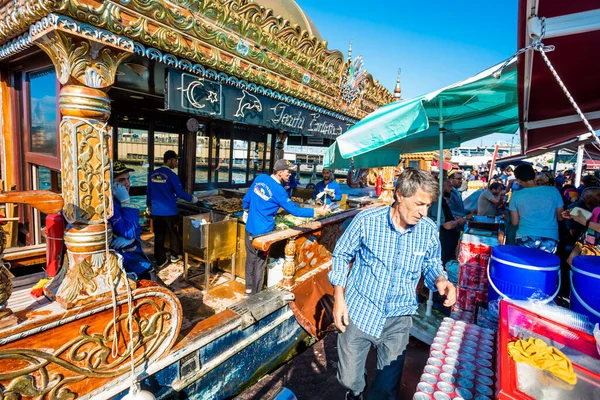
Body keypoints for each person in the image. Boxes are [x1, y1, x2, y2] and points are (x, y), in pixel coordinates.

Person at [329, 169, 456, 399]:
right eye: (418, 204)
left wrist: (440, 279)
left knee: (387, 390)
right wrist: (339, 297)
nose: (423, 212)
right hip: (360, 311)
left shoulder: (427, 230)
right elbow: (341, 254)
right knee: (349, 379)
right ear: (399, 195)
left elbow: (431, 263)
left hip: (399, 318)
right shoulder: (366, 221)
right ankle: (357, 392)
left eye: (427, 206)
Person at [243, 159, 329, 295]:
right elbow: (295, 210)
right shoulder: (279, 191)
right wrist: (316, 211)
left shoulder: (260, 178)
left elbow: (246, 199)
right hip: (263, 233)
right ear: (280, 172)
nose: (290, 174)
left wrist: (246, 210)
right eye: (288, 172)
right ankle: (255, 293)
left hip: (249, 227)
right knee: (259, 262)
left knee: (250, 259)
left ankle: (248, 288)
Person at [147, 150, 198, 267]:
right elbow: (179, 193)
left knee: (159, 236)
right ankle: (175, 255)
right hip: (169, 211)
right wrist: (192, 198)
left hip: (156, 211)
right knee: (173, 234)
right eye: (175, 161)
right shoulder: (172, 175)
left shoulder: (153, 174)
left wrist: (149, 205)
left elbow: (148, 192)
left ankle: (160, 260)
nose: (176, 163)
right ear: (169, 160)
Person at [110, 161, 158, 281]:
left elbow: (137, 229)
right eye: (121, 180)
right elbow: (128, 232)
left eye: (128, 179)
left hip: (133, 256)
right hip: (125, 261)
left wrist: (131, 238)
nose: (127, 183)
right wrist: (126, 201)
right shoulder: (110, 206)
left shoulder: (119, 202)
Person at [509, 164, 564, 253]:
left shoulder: (515, 195)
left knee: (526, 264)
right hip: (550, 236)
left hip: (525, 235)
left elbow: (515, 222)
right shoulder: (553, 191)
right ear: (535, 175)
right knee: (545, 265)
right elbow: (560, 217)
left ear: (518, 180)